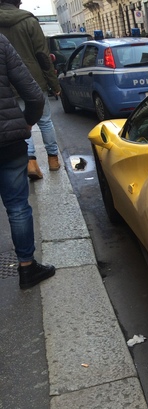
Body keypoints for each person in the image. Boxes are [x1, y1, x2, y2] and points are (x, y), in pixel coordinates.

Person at [0, 33, 56, 289]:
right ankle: (27, 268)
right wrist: (25, 124)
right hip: (7, 141)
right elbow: (34, 95)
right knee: (17, 206)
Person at [0, 0, 62, 181]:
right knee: (45, 120)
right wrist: (54, 84)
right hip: (33, 79)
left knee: (20, 123)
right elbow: (43, 55)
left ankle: (31, 162)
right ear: (17, 2)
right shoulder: (29, 21)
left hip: (6, 81)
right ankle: (52, 159)